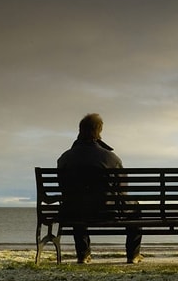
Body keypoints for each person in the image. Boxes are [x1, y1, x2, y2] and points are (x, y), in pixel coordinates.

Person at [57, 113, 142, 264]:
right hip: (107, 211)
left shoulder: (65, 158)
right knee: (135, 208)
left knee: (77, 204)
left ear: (80, 130)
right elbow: (122, 191)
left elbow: (64, 189)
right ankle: (133, 255)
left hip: (74, 212)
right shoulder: (111, 158)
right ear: (99, 131)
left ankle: (83, 254)